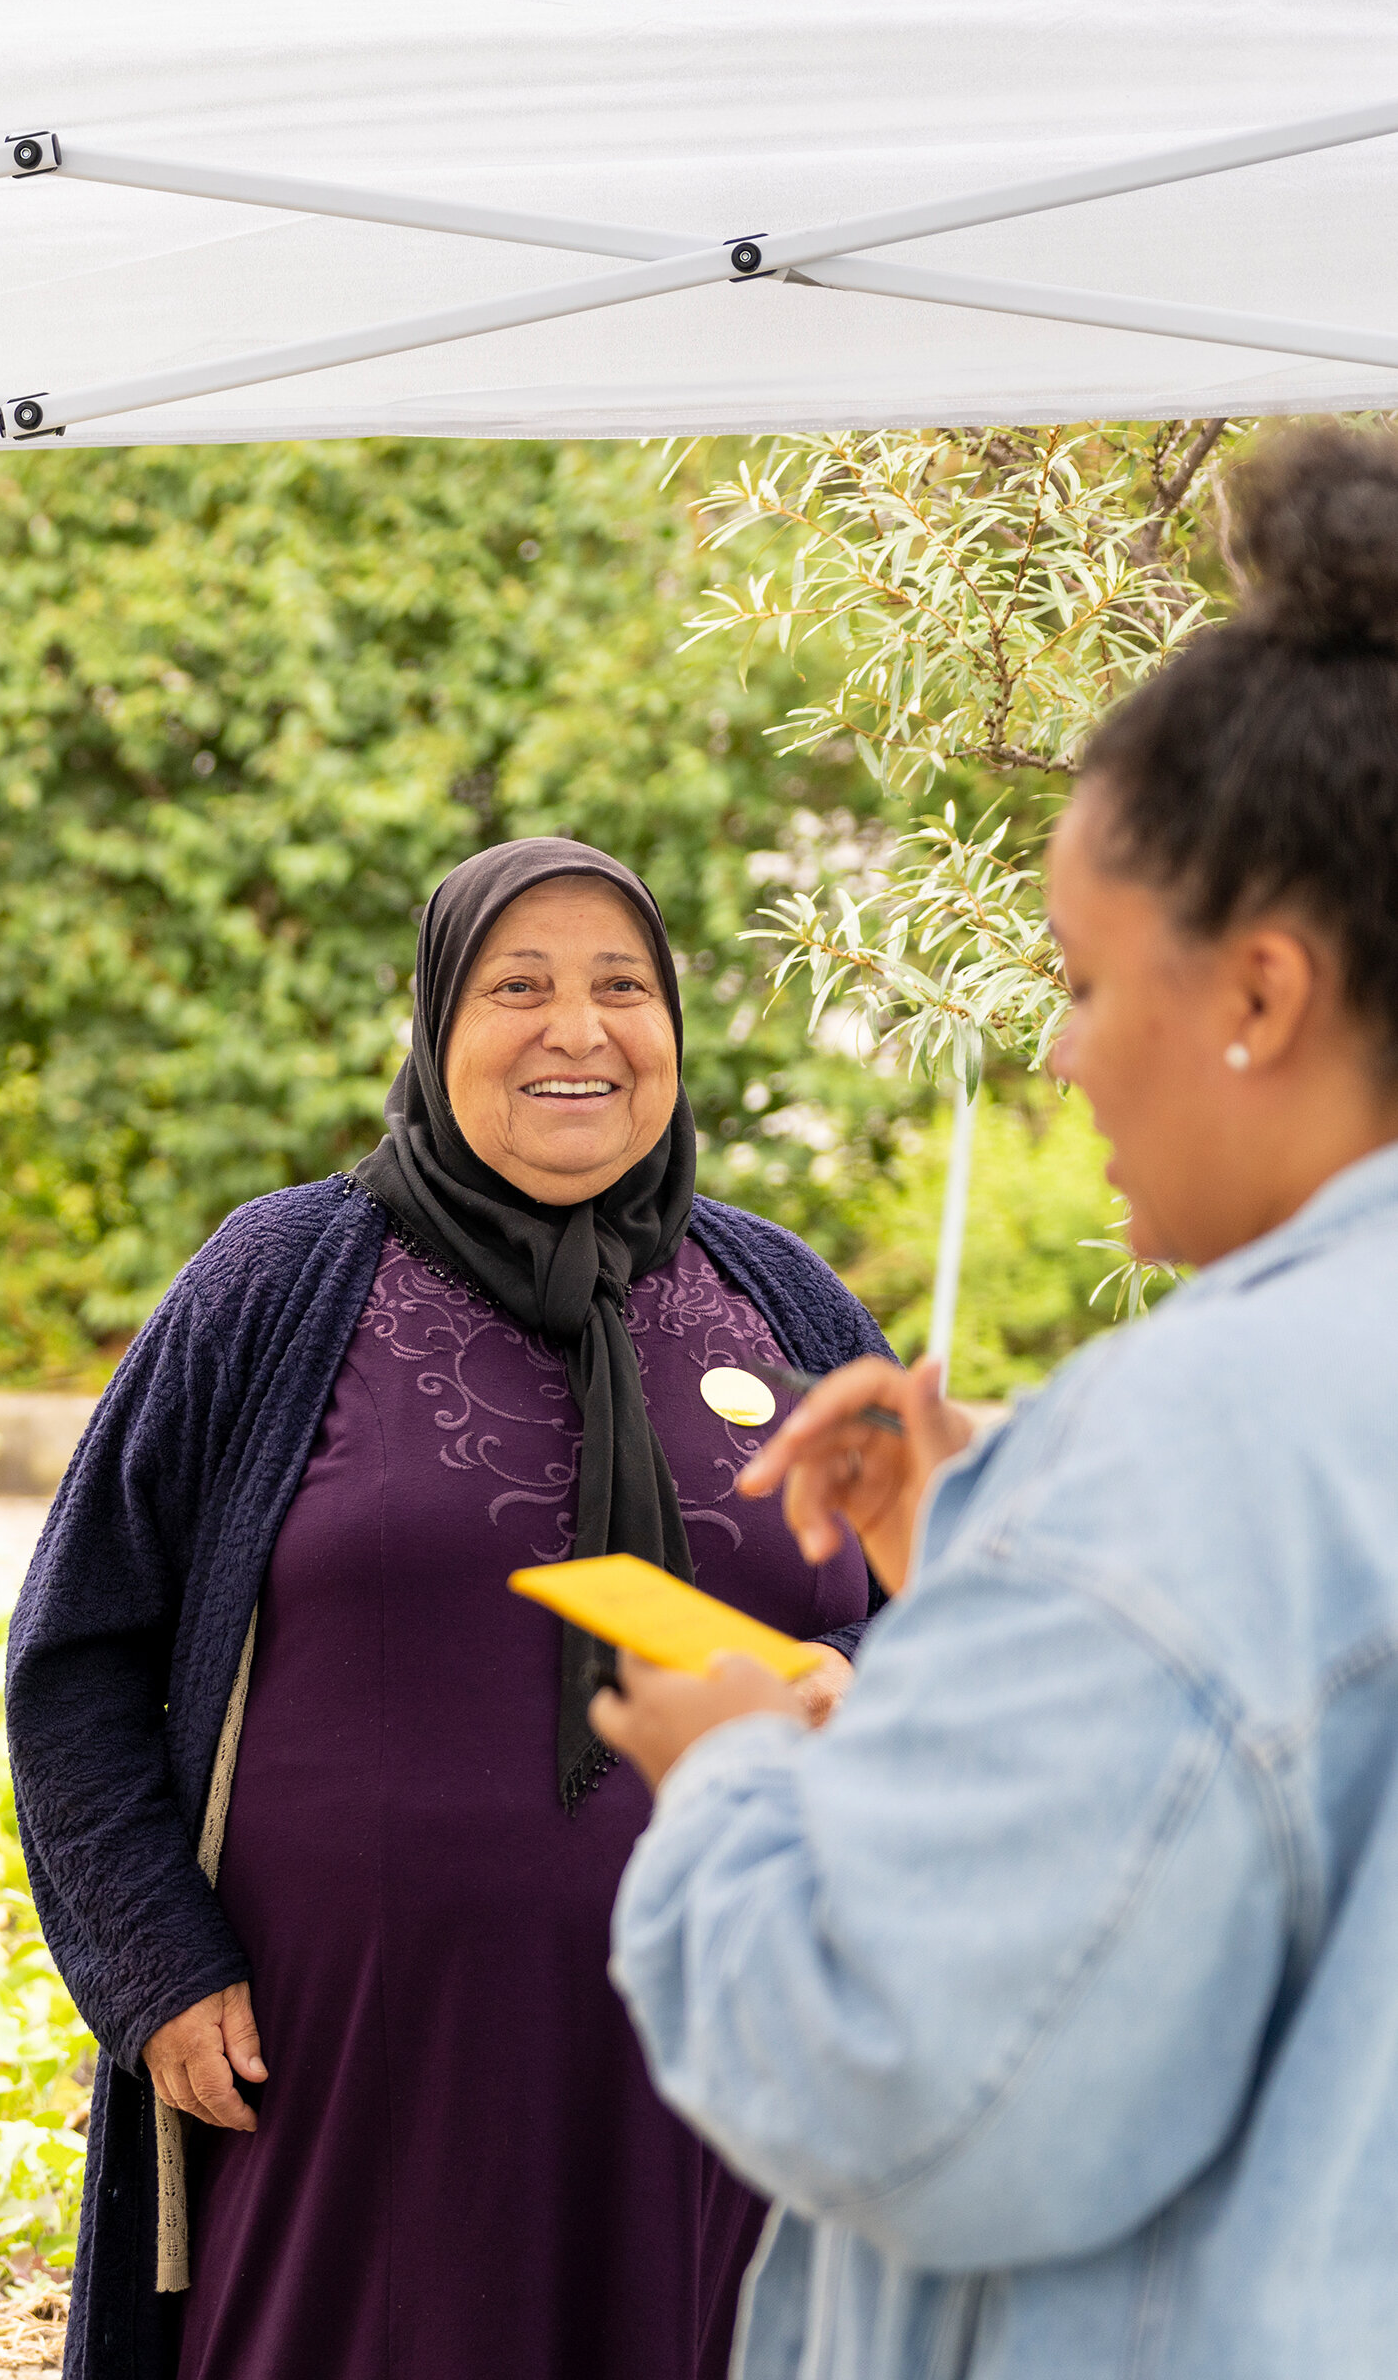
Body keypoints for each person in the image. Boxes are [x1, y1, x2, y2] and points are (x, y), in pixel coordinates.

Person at [598, 426, 1398, 2378]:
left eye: (1078, 975)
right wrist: (996, 1528)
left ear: (1260, 993)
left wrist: (729, 1779)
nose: (1055, 1052)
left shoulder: (1197, 1433)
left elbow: (908, 2076)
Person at [8, 837, 890, 2380]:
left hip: (734, 2078)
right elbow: (77, 1653)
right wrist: (155, 1964)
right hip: (356, 2095)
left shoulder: (785, 1300)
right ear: (434, 1025)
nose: (579, 1031)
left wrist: (851, 1676)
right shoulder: (279, 1284)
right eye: (519, 987)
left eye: (624, 987)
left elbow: (954, 1621)